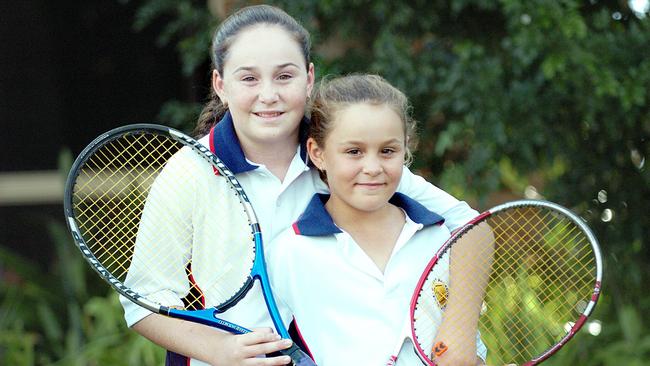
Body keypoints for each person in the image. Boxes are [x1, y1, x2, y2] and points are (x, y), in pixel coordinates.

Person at [121, 5, 478, 366]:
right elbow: (143, 304)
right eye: (249, 79)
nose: (268, 94)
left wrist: (459, 336)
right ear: (220, 85)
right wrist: (218, 350)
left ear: (308, 79)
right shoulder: (189, 173)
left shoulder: (346, 157)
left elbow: (470, 229)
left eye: (284, 76)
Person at [267, 74, 487, 365]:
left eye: (387, 151)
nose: (372, 167)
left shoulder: (439, 237)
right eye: (354, 152)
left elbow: (469, 351)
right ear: (317, 154)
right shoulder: (288, 253)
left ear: (405, 151)